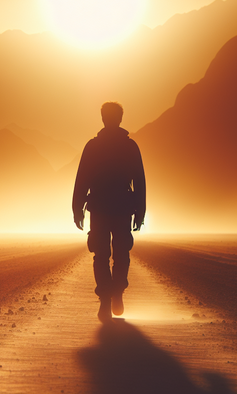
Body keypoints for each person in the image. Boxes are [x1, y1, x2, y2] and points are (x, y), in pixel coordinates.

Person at [73, 102, 146, 322]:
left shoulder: (94, 146)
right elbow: (140, 183)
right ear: (118, 119)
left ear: (104, 119)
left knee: (103, 254)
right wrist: (140, 211)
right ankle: (113, 297)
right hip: (120, 208)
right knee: (117, 253)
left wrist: (77, 209)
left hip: (103, 207)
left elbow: (81, 180)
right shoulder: (129, 147)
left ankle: (109, 298)